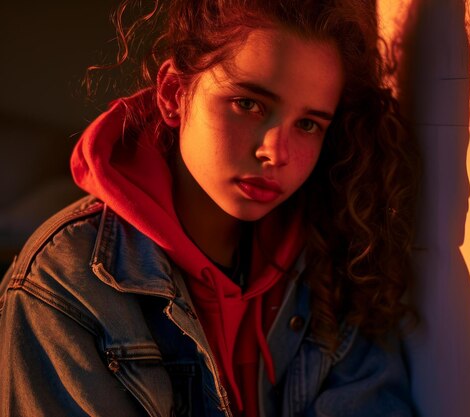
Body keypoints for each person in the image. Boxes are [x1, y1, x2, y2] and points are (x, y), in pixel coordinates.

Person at [0, 0, 418, 415]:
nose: (276, 151)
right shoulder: (64, 286)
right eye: (248, 104)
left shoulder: (333, 257)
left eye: (308, 124)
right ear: (173, 94)